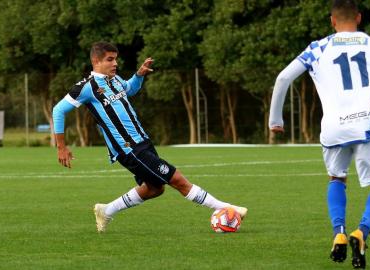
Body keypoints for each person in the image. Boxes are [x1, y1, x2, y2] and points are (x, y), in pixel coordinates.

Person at [52, 41, 247, 234]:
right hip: (127, 148)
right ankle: (226, 208)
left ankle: (106, 210)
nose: (115, 64)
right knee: (177, 179)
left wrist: (138, 75)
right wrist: (61, 146)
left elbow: (130, 89)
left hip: (142, 141)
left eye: (116, 59)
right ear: (96, 61)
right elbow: (58, 110)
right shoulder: (87, 87)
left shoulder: (116, 80)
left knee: (155, 188)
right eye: (110, 60)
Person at [269, 0, 370, 268]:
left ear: (332, 21)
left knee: (337, 178)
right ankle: (361, 232)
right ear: (358, 18)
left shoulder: (317, 48)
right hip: (366, 124)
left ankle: (339, 232)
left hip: (333, 127)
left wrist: (275, 119)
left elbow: (283, 78)